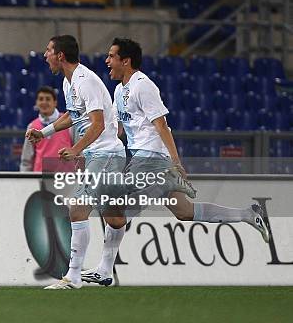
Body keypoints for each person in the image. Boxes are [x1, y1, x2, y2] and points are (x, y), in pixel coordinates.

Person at [81, 38, 269, 286]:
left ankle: (104, 270)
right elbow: (122, 130)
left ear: (125, 61)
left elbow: (161, 125)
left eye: (111, 56)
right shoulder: (119, 90)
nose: (107, 61)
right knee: (184, 212)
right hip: (140, 157)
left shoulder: (143, 86)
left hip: (150, 160)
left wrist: (176, 161)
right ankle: (248, 214)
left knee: (114, 208)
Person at [26, 35, 127, 289]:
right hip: (104, 154)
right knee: (114, 217)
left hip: (104, 153)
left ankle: (73, 276)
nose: (45, 55)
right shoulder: (67, 82)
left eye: (48, 50)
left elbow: (99, 123)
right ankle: (104, 270)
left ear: (60, 55)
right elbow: (73, 117)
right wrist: (45, 132)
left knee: (77, 209)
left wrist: (75, 149)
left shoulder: (85, 81)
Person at [19, 86, 73, 172]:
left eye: (48, 99)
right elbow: (26, 159)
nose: (44, 102)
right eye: (41, 99)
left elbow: (78, 150)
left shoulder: (68, 122)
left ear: (55, 102)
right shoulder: (32, 126)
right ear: (36, 103)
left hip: (64, 178)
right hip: (40, 178)